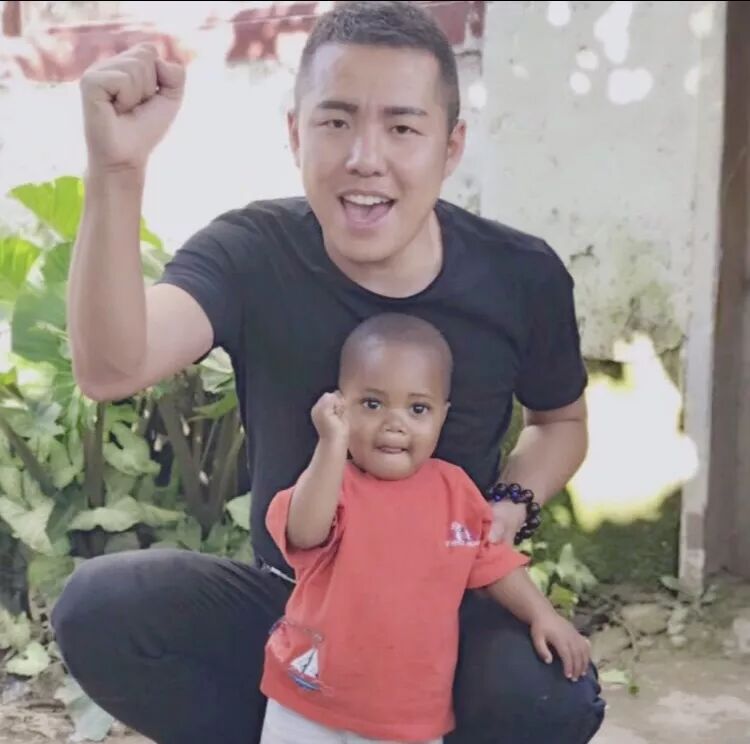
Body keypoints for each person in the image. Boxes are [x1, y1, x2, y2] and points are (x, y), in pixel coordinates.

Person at [52, 2, 606, 743]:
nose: (365, 158)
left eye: (402, 128)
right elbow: (109, 368)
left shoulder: (520, 276)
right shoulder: (252, 253)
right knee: (101, 609)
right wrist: (117, 170)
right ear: (295, 133)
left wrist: (509, 504)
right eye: (336, 121)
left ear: (451, 146)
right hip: (297, 604)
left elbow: (560, 423)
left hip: (446, 610)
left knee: (549, 696)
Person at [258, 312, 591, 744]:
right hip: (305, 700)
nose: (394, 423)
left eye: (417, 409)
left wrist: (543, 615)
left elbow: (491, 561)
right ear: (341, 406)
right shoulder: (331, 484)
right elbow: (305, 532)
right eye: (372, 404)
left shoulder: (455, 492)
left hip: (407, 718)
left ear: (442, 415)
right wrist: (331, 444)